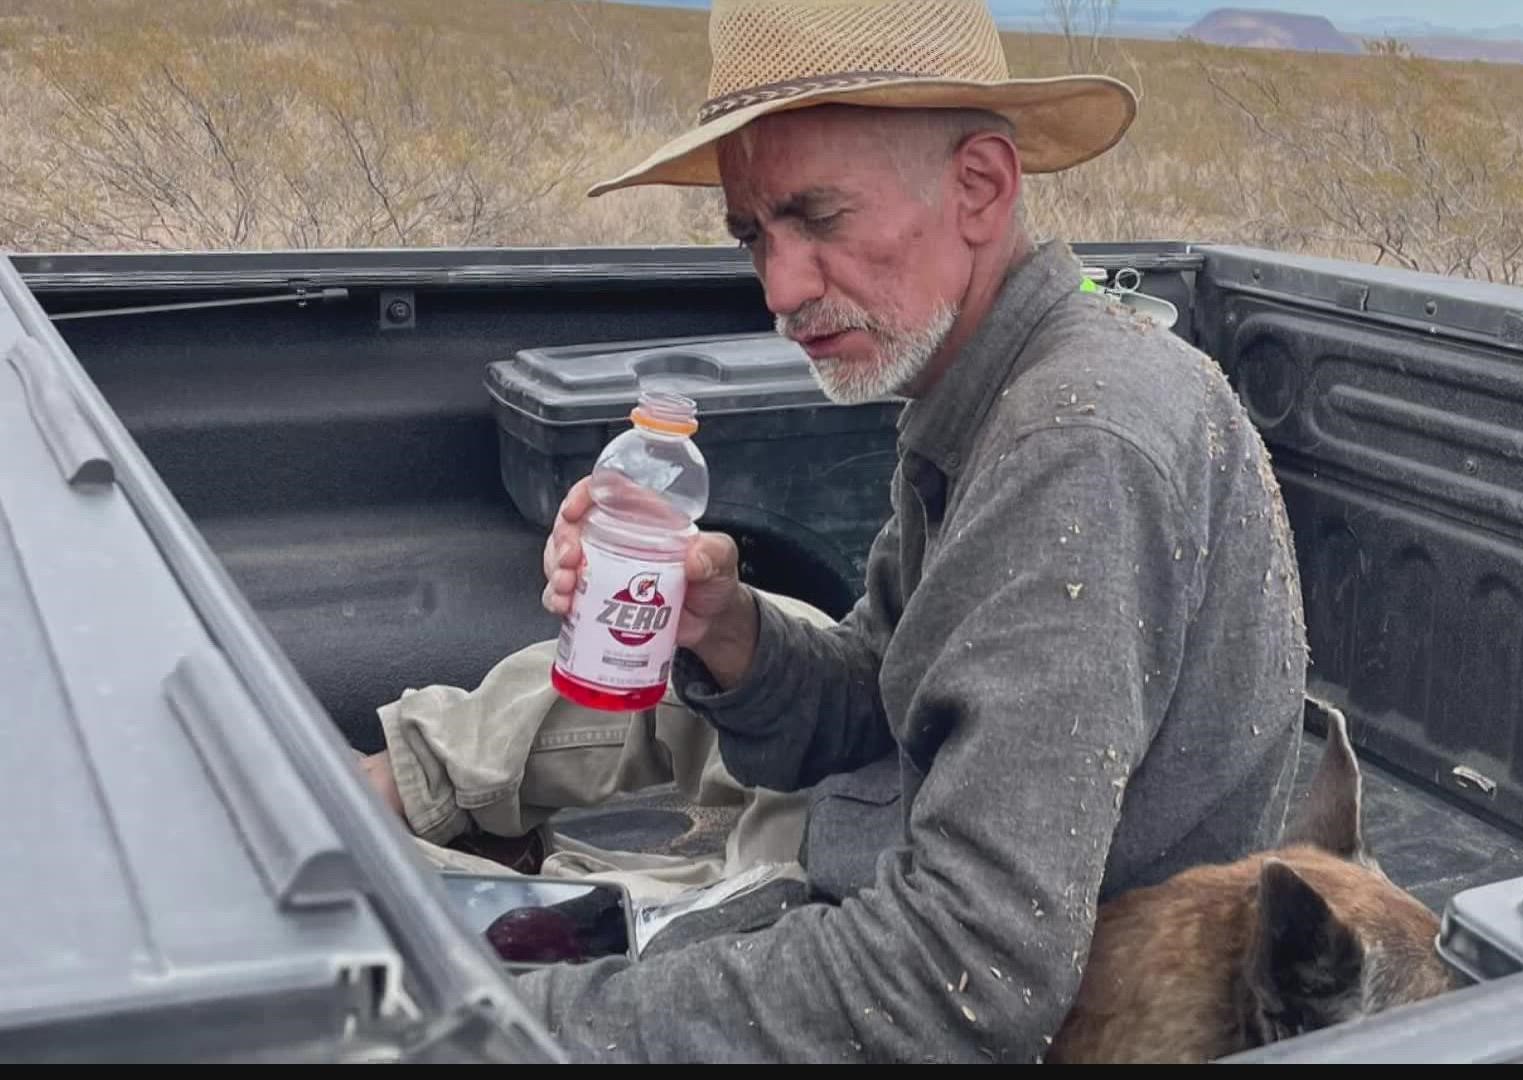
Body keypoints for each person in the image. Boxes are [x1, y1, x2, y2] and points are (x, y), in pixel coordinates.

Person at [360, 0, 1309, 1063]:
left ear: (981, 187)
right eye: (754, 233)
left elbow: (961, 973)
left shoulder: (1075, 446)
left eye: (819, 218)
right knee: (593, 688)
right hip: (895, 846)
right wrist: (727, 627)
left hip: (1016, 984)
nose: (780, 286)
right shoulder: (982, 384)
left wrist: (495, 1033)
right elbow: (884, 691)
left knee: (390, 993)